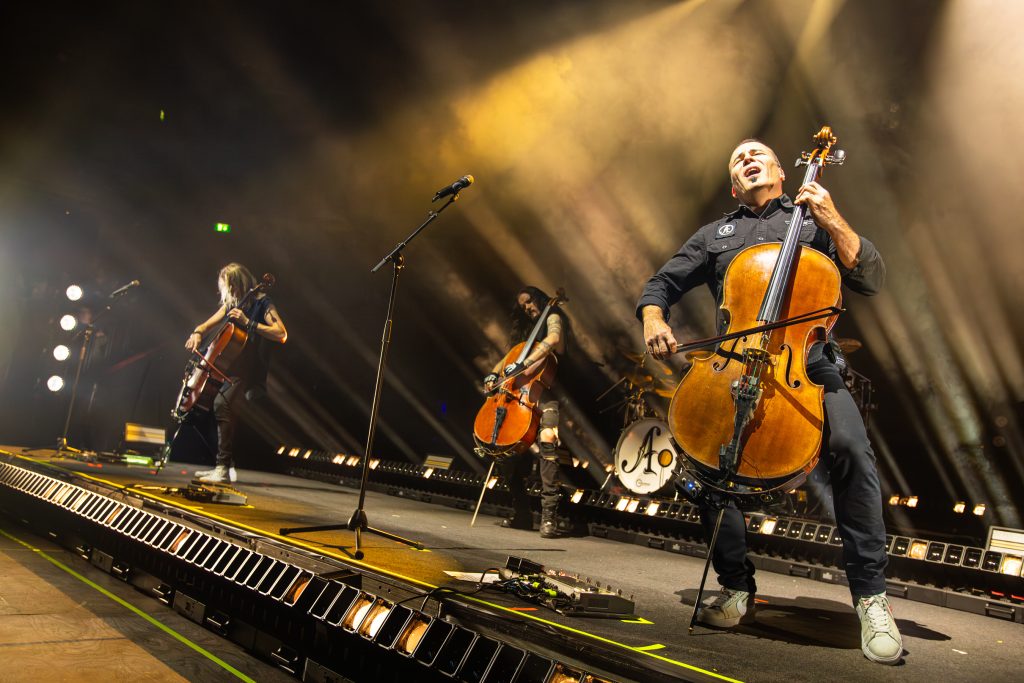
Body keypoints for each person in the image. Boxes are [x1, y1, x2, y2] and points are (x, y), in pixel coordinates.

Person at [636, 139, 902, 665]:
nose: (747, 158)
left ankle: (872, 599)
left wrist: (832, 217)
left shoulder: (812, 220)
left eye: (758, 153)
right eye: (737, 158)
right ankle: (737, 587)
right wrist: (653, 318)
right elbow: (660, 284)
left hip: (809, 366)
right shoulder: (717, 235)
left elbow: (869, 278)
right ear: (735, 183)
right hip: (735, 362)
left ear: (782, 171)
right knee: (705, 464)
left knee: (852, 453)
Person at [186, 263, 287, 484]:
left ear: (235, 284)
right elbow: (205, 325)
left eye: (227, 288)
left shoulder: (262, 303)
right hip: (225, 366)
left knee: (222, 406)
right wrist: (197, 333)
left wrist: (249, 323)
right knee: (203, 407)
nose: (225, 294)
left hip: (245, 369)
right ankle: (224, 465)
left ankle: (222, 469)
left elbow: (281, 333)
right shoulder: (234, 303)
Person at [483, 286, 568, 538]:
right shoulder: (525, 332)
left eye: (530, 301)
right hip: (520, 398)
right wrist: (494, 372)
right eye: (524, 306)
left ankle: (549, 517)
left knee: (548, 442)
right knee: (503, 450)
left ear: (540, 298)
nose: (529, 307)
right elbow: (510, 357)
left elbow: (552, 341)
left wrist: (525, 364)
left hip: (546, 397)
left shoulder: (553, 316)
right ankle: (521, 513)